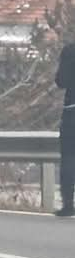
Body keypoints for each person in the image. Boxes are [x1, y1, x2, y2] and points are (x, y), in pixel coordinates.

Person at [54, 41, 75, 217]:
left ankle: (68, 203)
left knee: (69, 157)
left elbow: (60, 81)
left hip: (72, 111)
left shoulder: (69, 50)